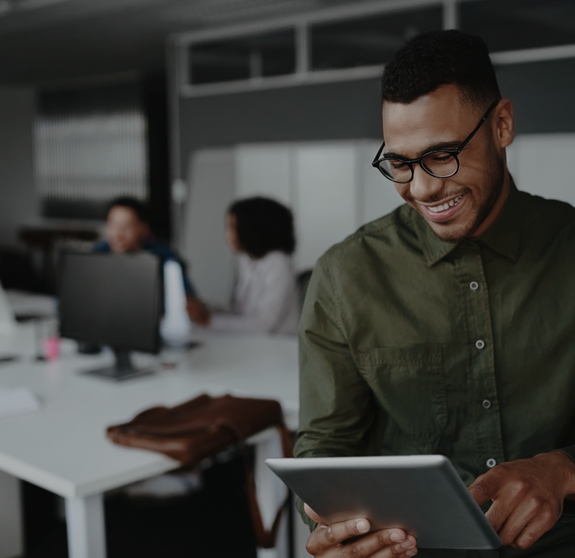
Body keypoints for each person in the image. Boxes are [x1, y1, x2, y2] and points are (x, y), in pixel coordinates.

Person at [295, 30, 575, 558]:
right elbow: (326, 449)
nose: (421, 189)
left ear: (502, 125)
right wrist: (336, 529)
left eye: (442, 155)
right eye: (399, 164)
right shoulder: (344, 274)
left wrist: (562, 469)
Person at [187, 196, 299, 335]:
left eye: (233, 228)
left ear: (253, 229)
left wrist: (208, 321)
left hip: (277, 347)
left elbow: (264, 326)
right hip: (254, 345)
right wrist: (207, 310)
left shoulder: (278, 264)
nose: (228, 235)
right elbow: (241, 315)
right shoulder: (249, 261)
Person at [94, 195, 198, 299]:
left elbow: (187, 298)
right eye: (112, 225)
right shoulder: (96, 254)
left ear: (143, 228)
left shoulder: (164, 257)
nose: (117, 234)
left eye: (126, 226)